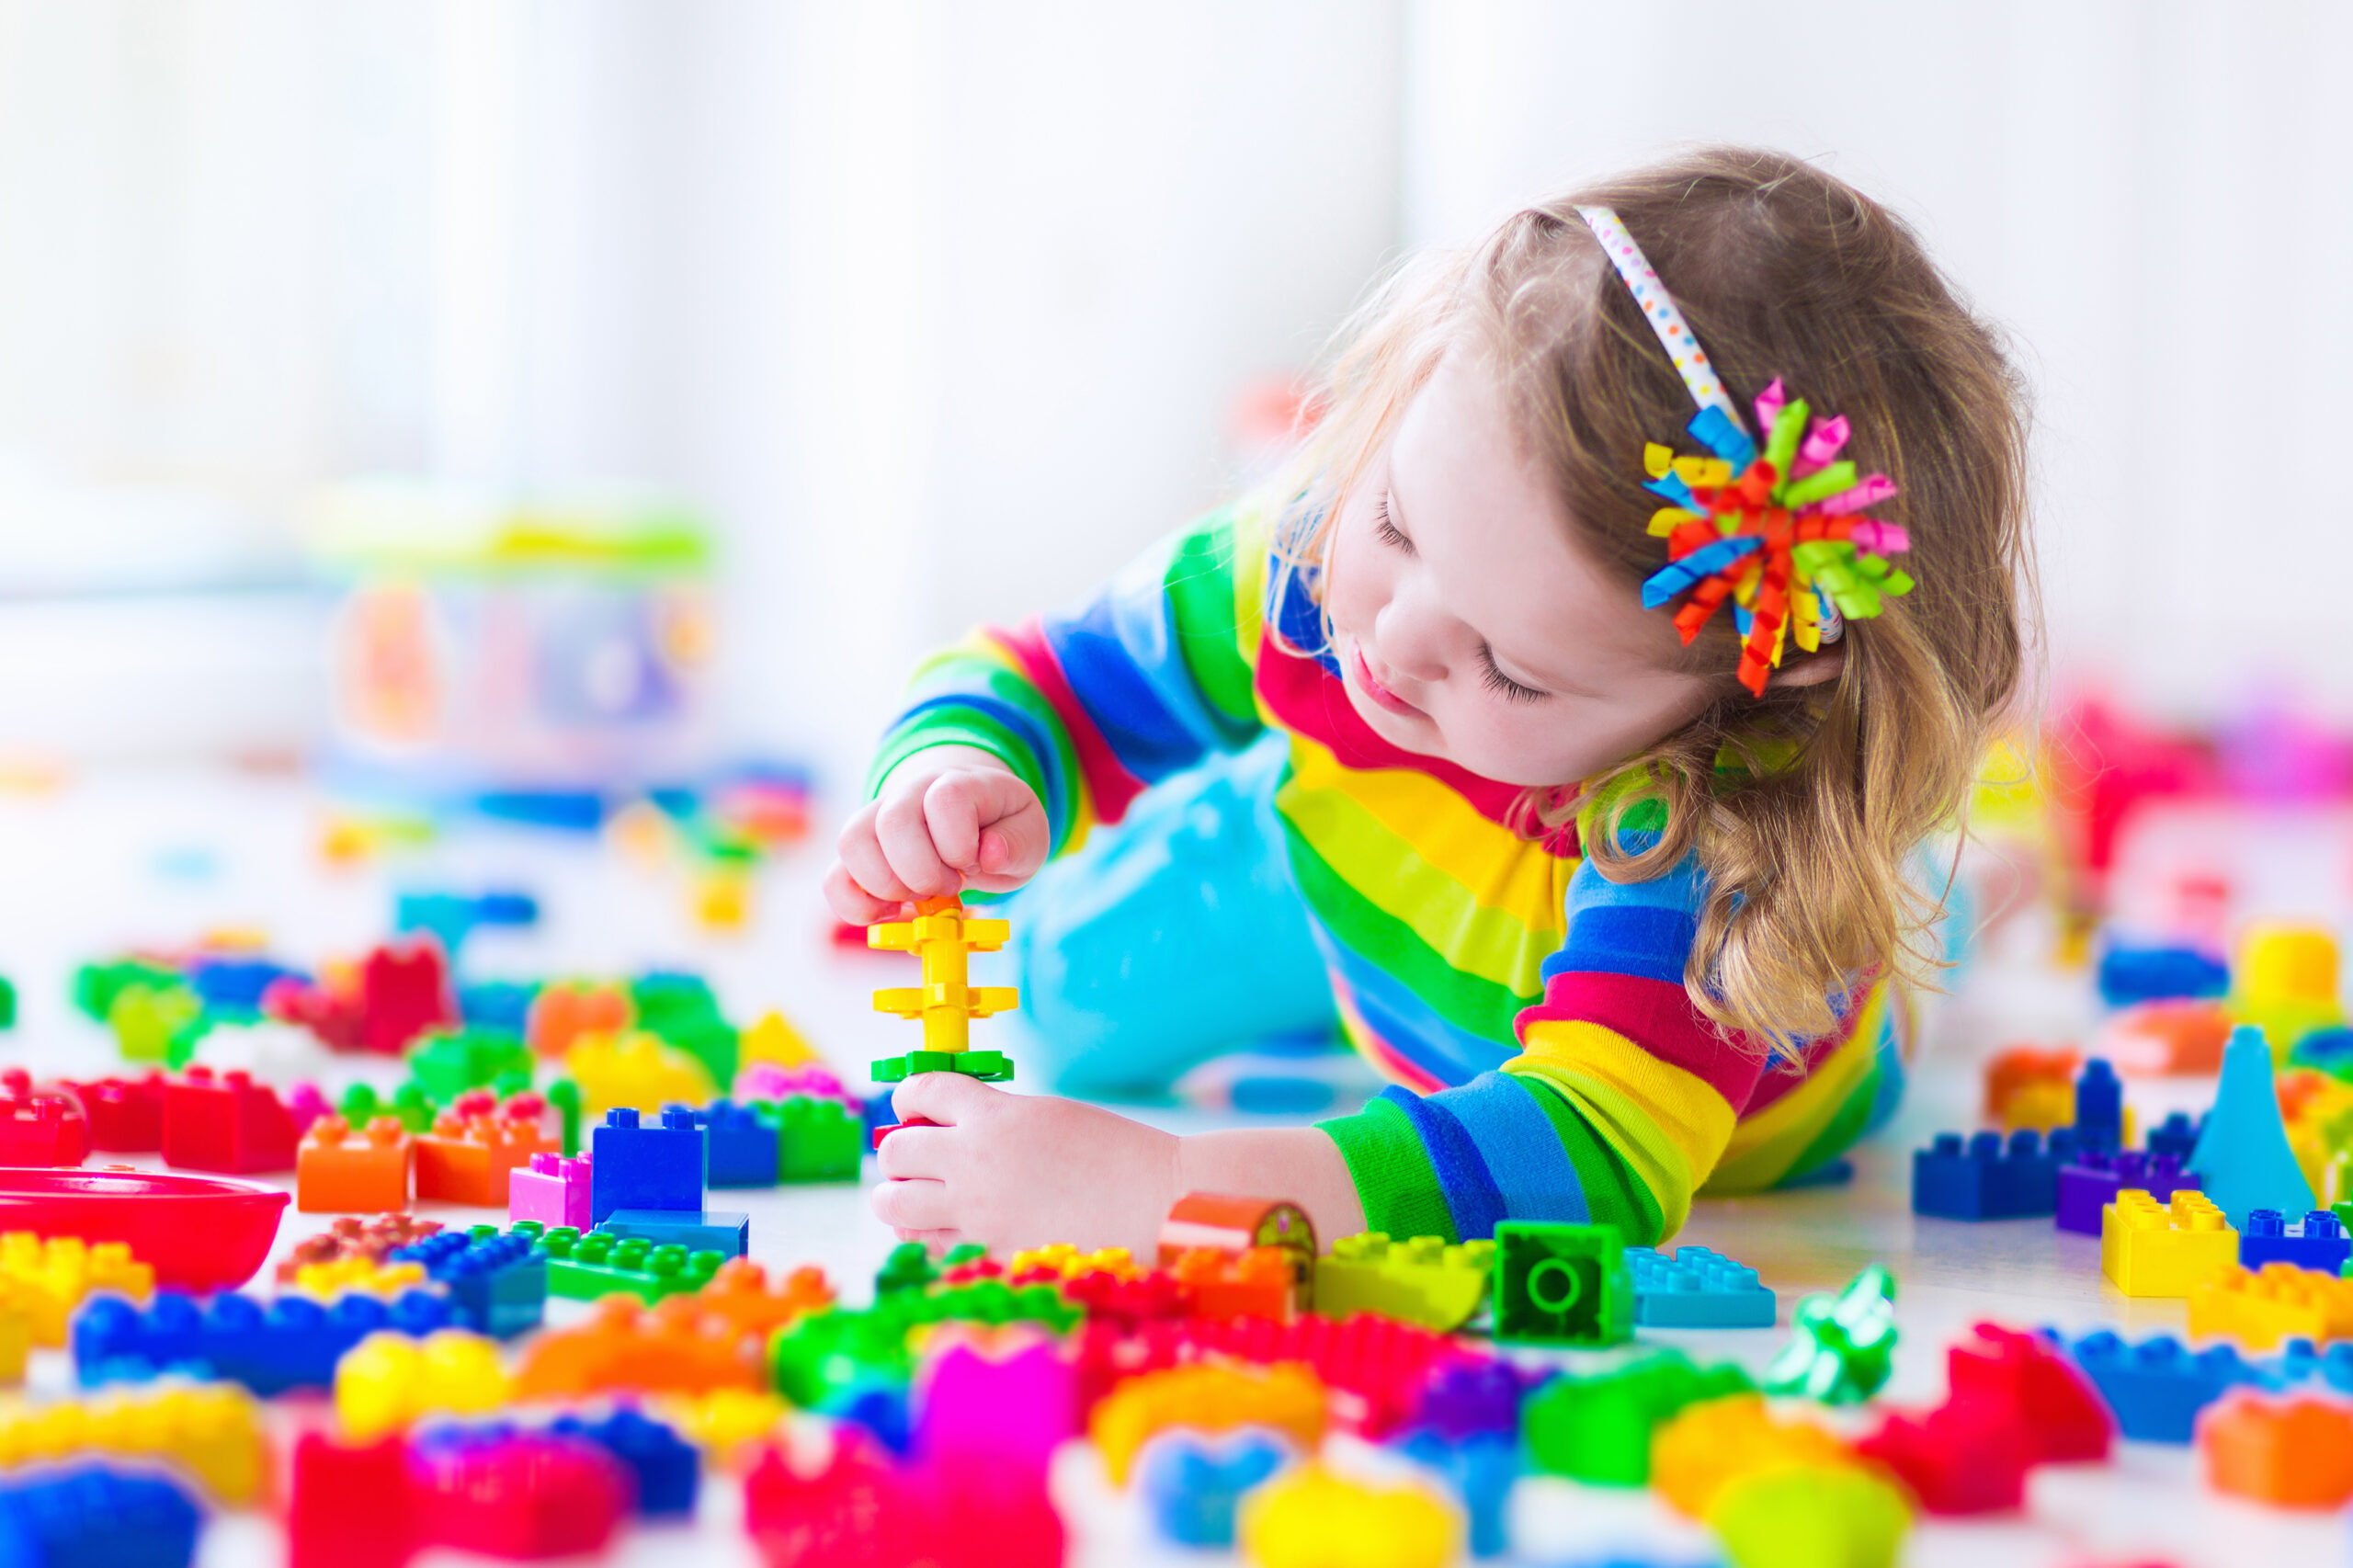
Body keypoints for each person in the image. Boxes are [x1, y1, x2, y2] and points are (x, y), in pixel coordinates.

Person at [826, 146, 2030, 1257]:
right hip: (1356, 887)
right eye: (1399, 523)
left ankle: (1942, 891)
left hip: (1702, 1062)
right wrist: (955, 772)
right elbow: (1054, 671)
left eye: (1511, 665)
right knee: (1055, 1003)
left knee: (1895, 921)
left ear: (1740, 701)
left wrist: (1167, 1188)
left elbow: (1581, 1158)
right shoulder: (1316, 563)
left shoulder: (1717, 856)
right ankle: (1313, 824)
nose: (1389, 642)